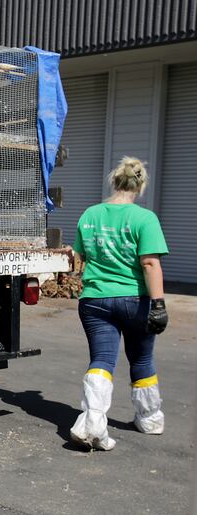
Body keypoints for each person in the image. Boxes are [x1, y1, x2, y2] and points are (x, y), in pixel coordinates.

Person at [69, 157, 169, 451]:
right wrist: (159, 304)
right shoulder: (144, 218)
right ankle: (149, 419)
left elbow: (79, 257)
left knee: (102, 360)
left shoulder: (90, 215)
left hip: (95, 301)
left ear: (114, 182)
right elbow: (150, 264)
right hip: (134, 300)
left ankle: (93, 422)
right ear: (140, 186)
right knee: (141, 360)